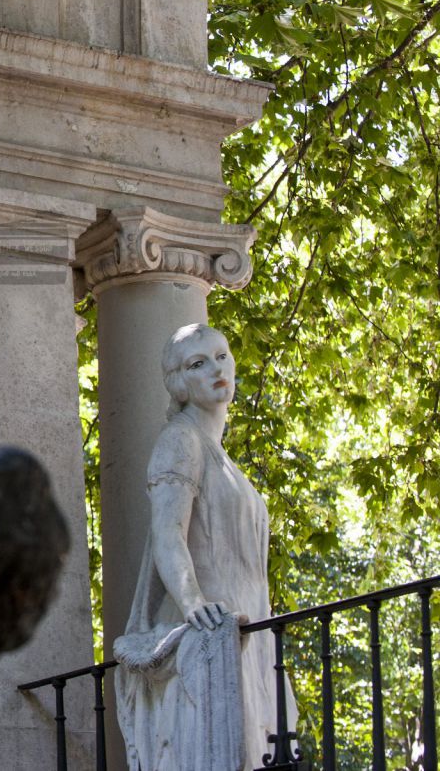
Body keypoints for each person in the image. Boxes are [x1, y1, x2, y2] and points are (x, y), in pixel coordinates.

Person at [115, 323, 294, 771]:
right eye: (199, 364)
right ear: (178, 382)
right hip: (210, 632)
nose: (217, 369)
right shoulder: (181, 440)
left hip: (247, 632)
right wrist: (194, 602)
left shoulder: (226, 460)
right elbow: (168, 533)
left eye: (222, 356)